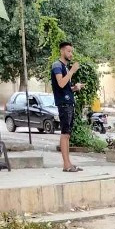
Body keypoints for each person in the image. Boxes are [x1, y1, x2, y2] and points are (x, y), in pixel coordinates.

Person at [51, 41, 85, 172]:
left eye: (72, 51)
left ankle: (69, 163)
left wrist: (74, 88)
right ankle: (66, 165)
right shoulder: (57, 66)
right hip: (64, 104)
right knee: (65, 134)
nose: (71, 54)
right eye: (69, 51)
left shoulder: (65, 68)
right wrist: (72, 71)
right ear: (62, 51)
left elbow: (64, 87)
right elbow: (60, 84)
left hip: (69, 102)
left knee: (68, 134)